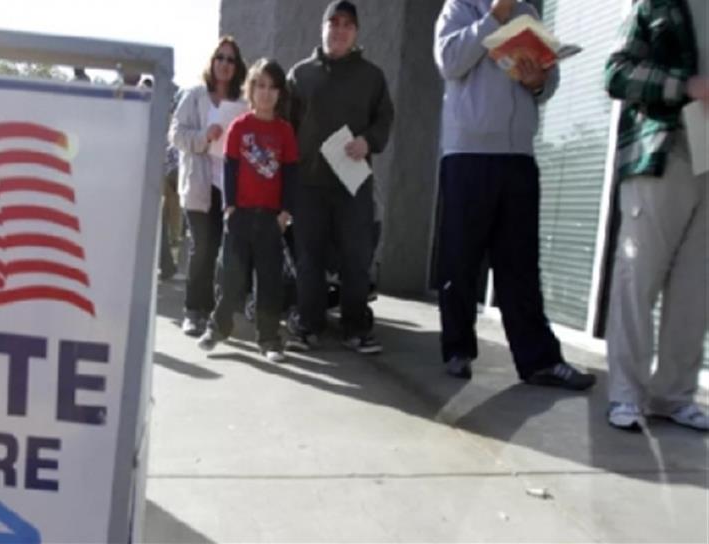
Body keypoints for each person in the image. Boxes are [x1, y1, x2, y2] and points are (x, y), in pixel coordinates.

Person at [433, 0, 595, 389]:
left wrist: (536, 81)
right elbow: (450, 61)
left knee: (520, 264)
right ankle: (458, 350)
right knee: (460, 258)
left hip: (518, 155)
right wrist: (495, 17)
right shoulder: (459, 7)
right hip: (468, 153)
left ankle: (539, 360)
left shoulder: (529, 14)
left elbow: (548, 82)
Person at [603, 0, 708, 431]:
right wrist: (687, 85)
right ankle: (626, 395)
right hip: (661, 156)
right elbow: (617, 74)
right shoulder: (655, 5)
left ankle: (674, 397)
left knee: (695, 292)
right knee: (637, 281)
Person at [285, 0, 393, 355]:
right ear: (323, 28)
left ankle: (355, 328)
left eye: (347, 24)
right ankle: (308, 324)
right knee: (309, 257)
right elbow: (286, 129)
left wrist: (368, 141)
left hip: (353, 183)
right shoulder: (300, 75)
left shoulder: (372, 76)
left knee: (356, 256)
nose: (340, 30)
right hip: (309, 184)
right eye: (334, 23)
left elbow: (384, 120)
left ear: (356, 32)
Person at [197, 58, 298, 362]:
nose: (266, 93)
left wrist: (284, 213)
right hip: (239, 216)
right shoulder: (239, 127)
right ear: (251, 90)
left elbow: (291, 175)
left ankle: (269, 340)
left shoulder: (285, 132)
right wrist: (228, 208)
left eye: (273, 87)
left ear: (280, 93)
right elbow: (230, 169)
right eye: (261, 86)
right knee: (230, 278)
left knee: (268, 283)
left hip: (270, 219)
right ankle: (218, 326)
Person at [169, 37, 248, 336]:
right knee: (202, 248)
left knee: (220, 251)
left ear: (237, 66)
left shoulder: (242, 102)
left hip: (228, 186)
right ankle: (193, 310)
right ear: (212, 62)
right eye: (220, 58)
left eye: (231, 59)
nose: (225, 64)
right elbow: (176, 135)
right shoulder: (194, 95)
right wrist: (204, 136)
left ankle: (213, 311)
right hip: (199, 186)